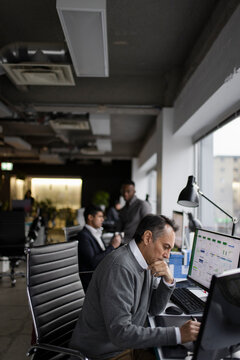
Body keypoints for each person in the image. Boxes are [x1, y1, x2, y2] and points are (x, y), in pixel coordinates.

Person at [70, 214, 201, 360]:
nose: (167, 256)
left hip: (124, 347)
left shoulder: (145, 262)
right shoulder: (120, 267)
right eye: (166, 247)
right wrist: (178, 334)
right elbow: (121, 334)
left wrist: (168, 281)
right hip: (104, 354)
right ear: (147, 238)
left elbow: (154, 308)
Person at [76, 204, 122, 292]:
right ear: (90, 217)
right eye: (100, 216)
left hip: (103, 274)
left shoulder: (96, 232)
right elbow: (93, 263)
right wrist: (112, 246)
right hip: (93, 279)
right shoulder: (83, 236)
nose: (103, 219)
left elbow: (102, 253)